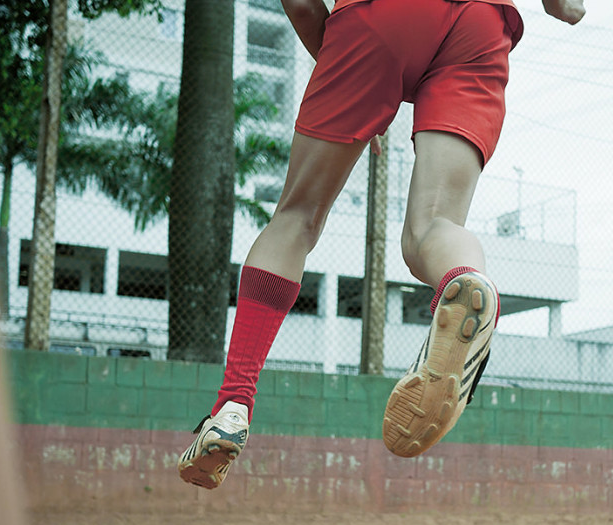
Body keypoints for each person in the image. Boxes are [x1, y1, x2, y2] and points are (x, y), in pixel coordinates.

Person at [177, 0, 587, 489]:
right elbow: (568, 7)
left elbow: (304, 4)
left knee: (297, 216)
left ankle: (233, 403)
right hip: (481, 23)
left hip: (382, 13)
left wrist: (351, 75)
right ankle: (465, 278)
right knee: (432, 227)